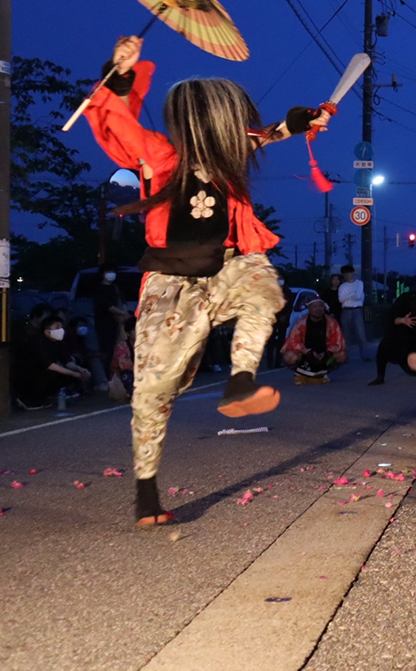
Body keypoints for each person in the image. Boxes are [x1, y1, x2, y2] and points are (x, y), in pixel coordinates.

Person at [84, 35, 329, 526]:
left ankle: (240, 381)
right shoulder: (156, 152)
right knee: (154, 389)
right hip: (170, 282)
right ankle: (146, 491)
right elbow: (113, 123)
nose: (235, 132)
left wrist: (300, 121)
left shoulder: (228, 158)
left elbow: (269, 133)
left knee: (264, 286)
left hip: (225, 269)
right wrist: (120, 73)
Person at [16, 314, 93, 409]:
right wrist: (73, 373)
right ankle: (28, 400)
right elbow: (49, 365)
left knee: (70, 372)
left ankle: (45, 396)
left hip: (45, 370)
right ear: (47, 331)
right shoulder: (38, 342)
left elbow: (67, 361)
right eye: (57, 327)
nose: (61, 330)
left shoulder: (59, 342)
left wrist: (80, 369)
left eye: (61, 327)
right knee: (50, 374)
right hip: (29, 373)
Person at [281, 298, 347, 384]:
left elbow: (337, 342)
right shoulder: (300, 323)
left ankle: (323, 373)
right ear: (309, 309)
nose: (318, 309)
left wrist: (327, 352)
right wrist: (308, 352)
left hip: (324, 355)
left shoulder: (332, 323)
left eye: (320, 306)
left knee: (342, 355)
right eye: (315, 307)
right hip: (305, 355)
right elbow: (294, 342)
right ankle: (300, 373)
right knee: (289, 357)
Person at [93, 264, 130, 376]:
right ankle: (108, 376)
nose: (111, 274)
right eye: (108, 271)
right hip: (105, 324)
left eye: (113, 271)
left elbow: (122, 303)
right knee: (107, 350)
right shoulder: (99, 289)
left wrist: (124, 315)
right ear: (103, 274)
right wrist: (123, 313)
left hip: (119, 324)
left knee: (120, 348)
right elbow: (108, 306)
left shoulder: (116, 287)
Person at [337, 265, 369, 362]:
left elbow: (358, 296)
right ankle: (346, 356)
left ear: (352, 273)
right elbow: (341, 299)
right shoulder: (342, 286)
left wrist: (347, 296)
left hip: (357, 309)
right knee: (346, 334)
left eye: (349, 273)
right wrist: (352, 295)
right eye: (345, 273)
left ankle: (364, 356)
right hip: (346, 310)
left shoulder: (359, 283)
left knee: (361, 333)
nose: (347, 275)